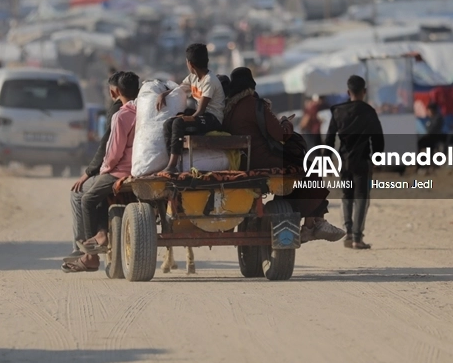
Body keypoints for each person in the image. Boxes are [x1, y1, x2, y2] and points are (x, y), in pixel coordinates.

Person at [223, 67, 345, 243]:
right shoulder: (256, 105)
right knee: (309, 169)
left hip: (242, 162)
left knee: (302, 170)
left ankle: (314, 222)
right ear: (251, 85)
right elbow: (281, 135)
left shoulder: (229, 110)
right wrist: (287, 123)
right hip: (263, 160)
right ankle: (312, 223)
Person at [65, 71, 140, 273]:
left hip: (122, 170)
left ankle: (89, 254)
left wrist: (99, 171)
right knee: (93, 193)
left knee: (84, 197)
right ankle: (96, 237)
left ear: (114, 91)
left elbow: (112, 151)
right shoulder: (148, 110)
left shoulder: (121, 114)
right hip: (145, 167)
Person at [325, 75, 384, 250]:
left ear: (348, 91)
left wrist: (327, 161)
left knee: (347, 195)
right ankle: (357, 238)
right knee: (362, 198)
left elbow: (329, 139)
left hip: (343, 162)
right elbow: (378, 139)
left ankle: (348, 231)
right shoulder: (369, 112)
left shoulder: (338, 111)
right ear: (364, 92)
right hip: (362, 162)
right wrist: (377, 158)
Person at [159, 43, 226, 175]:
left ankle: (172, 166)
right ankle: (172, 162)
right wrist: (163, 94)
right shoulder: (193, 78)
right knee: (168, 124)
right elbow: (179, 89)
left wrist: (184, 119)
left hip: (212, 119)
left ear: (190, 64)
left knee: (178, 123)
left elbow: (200, 110)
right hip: (202, 117)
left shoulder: (209, 81)